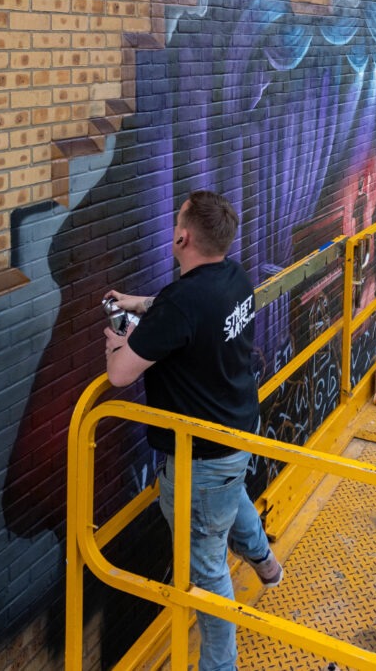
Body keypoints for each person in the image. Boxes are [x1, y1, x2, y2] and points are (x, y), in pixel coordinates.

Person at [103, 190, 282, 671]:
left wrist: (116, 341)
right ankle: (266, 564)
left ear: (182, 236)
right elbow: (177, 308)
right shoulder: (234, 277)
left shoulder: (183, 304)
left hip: (201, 456)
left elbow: (121, 374)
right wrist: (138, 303)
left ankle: (220, 667)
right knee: (230, 497)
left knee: (206, 571)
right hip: (238, 431)